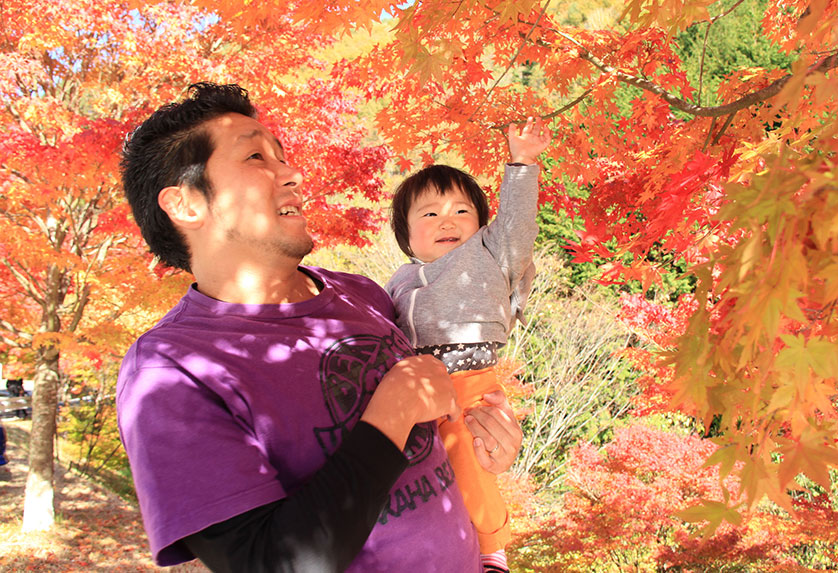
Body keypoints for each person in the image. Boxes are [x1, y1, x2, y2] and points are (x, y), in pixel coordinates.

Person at [116, 82, 523, 572]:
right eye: (255, 158)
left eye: (282, 155)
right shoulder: (169, 373)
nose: (291, 173)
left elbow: (439, 435)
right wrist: (391, 414)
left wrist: (488, 447)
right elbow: (271, 563)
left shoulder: (362, 293)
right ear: (186, 205)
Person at [385, 118, 550, 572]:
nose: (447, 221)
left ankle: (492, 546)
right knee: (417, 477)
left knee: (470, 459)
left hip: (470, 377)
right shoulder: (399, 280)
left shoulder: (491, 254)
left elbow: (517, 226)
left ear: (481, 226)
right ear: (407, 234)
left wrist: (522, 163)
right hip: (414, 388)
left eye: (462, 211)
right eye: (430, 213)